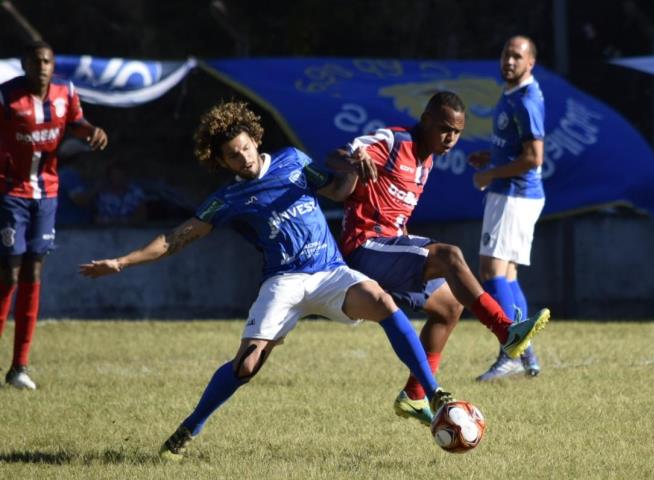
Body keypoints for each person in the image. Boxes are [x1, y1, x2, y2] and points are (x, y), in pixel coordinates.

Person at [79, 101, 457, 461]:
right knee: (247, 365)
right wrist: (122, 261)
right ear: (221, 160)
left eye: (244, 147)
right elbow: (176, 237)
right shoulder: (228, 198)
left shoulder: (293, 161)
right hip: (284, 283)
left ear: (255, 139)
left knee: (382, 302)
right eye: (232, 155)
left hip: (329, 272)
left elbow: (338, 190)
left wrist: (357, 166)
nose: (242, 157)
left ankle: (434, 393)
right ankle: (190, 428)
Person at [325, 91, 550, 425]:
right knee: (450, 255)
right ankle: (506, 332)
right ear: (426, 120)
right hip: (365, 247)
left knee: (449, 308)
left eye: (457, 132)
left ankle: (414, 396)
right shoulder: (393, 140)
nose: (450, 138)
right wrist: (355, 159)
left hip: (391, 246)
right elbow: (337, 155)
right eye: (445, 128)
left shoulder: (425, 160)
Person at [0, 40, 108, 389]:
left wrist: (91, 131)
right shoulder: (6, 97)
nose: (43, 67)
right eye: (36, 61)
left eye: (47, 61)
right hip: (9, 192)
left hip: (46, 193)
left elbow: (77, 122)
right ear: (24, 65)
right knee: (9, 273)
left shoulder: (66, 91)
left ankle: (19, 366)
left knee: (34, 269)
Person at [468, 35, 547, 381]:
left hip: (513, 194)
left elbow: (534, 157)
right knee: (507, 275)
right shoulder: (514, 92)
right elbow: (518, 149)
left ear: (530, 62)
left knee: (491, 272)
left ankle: (513, 352)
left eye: (517, 57)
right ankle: (525, 355)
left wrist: (490, 174)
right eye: (505, 55)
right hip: (514, 193)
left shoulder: (527, 100)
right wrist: (493, 157)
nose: (509, 61)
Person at [93, 160, 147, 226]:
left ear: (126, 176)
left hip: (131, 231)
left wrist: (126, 221)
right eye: (113, 174)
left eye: (119, 174)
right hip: (102, 232)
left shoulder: (136, 192)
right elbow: (95, 217)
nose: (116, 178)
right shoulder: (101, 193)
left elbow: (142, 216)